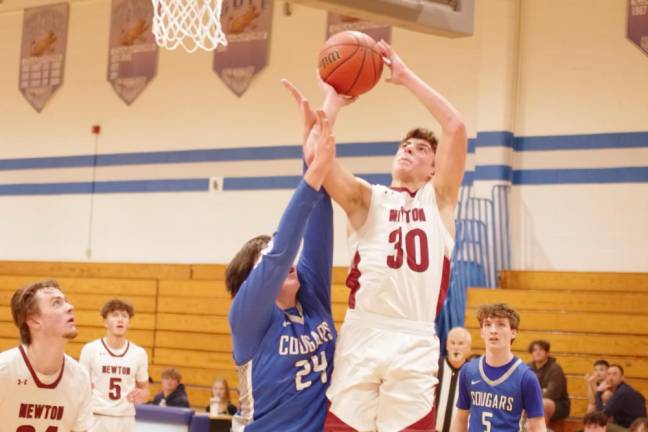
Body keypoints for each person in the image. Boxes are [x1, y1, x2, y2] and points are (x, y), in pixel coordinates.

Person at [286, 38, 467, 431]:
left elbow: (454, 127)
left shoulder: (441, 202)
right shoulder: (367, 199)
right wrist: (332, 101)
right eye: (404, 145)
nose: (408, 150)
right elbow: (317, 157)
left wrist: (406, 77)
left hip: (414, 339)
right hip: (364, 331)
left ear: (434, 168)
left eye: (420, 149)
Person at [226, 109, 337, 431]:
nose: (288, 261)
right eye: (269, 258)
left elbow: (318, 223)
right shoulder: (247, 318)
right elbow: (282, 250)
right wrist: (312, 174)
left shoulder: (312, 299)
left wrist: (311, 156)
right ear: (253, 280)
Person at [0, 280, 93, 431]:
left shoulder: (79, 377)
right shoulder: (4, 371)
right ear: (33, 320)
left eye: (66, 302)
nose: (70, 307)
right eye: (56, 303)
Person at [450, 303, 546, 432]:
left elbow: (537, 426)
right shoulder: (468, 371)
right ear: (482, 332)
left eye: (501, 324)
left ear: (513, 333)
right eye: (488, 325)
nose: (493, 330)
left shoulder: (526, 377)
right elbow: (461, 419)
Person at [79, 299, 150, 432]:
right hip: (95, 417)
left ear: (129, 322)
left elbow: (145, 391)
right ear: (105, 322)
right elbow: (80, 388)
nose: (120, 319)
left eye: (124, 316)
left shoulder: (139, 353)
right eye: (115, 315)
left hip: (126, 419)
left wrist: (142, 394)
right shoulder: (90, 349)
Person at [435, 327, 472, 432]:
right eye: (452, 343)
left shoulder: (473, 373)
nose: (456, 347)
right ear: (446, 345)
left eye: (461, 344)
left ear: (468, 348)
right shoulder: (435, 367)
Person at [527, 339, 570, 425]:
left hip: (558, 405)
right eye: (535, 350)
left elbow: (552, 393)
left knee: (542, 405)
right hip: (533, 401)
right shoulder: (527, 368)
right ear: (531, 353)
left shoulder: (555, 369)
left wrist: (532, 395)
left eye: (541, 350)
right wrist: (541, 391)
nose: (538, 352)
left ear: (547, 353)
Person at [596, 364, 646, 428]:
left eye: (615, 374)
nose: (611, 378)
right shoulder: (624, 388)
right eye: (609, 374)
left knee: (599, 426)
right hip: (629, 426)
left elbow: (600, 417)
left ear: (622, 378)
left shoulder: (622, 393)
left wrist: (598, 393)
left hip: (632, 430)